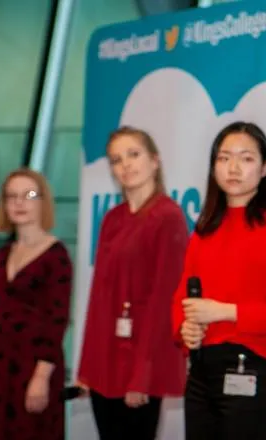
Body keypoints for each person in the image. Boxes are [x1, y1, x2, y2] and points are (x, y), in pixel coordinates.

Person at [171, 121, 266, 440]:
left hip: (253, 369)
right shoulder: (202, 233)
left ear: (264, 168)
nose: (233, 167)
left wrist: (225, 312)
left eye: (246, 158)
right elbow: (181, 299)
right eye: (224, 158)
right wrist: (184, 328)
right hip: (201, 371)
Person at [76, 126, 189, 440]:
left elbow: (163, 303)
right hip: (105, 363)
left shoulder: (168, 217)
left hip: (140, 366)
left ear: (155, 161)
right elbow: (99, 300)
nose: (125, 165)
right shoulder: (112, 218)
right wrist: (87, 369)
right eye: (116, 159)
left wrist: (144, 376)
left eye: (133, 154)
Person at [0, 168, 73, 440]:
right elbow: (0, 312)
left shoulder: (57, 255)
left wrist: (41, 376)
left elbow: (58, 319)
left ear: (43, 202)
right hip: (0, 360)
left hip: (35, 364)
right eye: (11, 196)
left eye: (28, 195)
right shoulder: (4, 253)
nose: (19, 202)